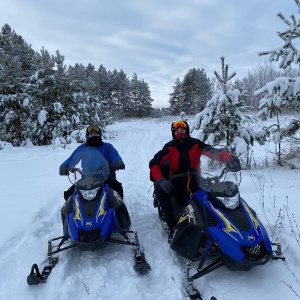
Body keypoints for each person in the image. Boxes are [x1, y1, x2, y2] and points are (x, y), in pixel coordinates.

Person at [149, 120, 241, 239]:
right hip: (176, 181)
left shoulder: (195, 144)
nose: (180, 132)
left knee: (210, 198)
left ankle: (219, 224)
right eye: (177, 131)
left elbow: (212, 152)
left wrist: (228, 158)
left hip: (195, 179)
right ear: (173, 133)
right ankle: (172, 228)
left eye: (182, 130)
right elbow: (154, 163)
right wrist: (161, 180)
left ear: (187, 131)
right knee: (163, 193)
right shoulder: (170, 147)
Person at [59, 124, 125, 199]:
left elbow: (114, 155)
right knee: (68, 195)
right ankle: (71, 210)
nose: (93, 136)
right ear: (87, 136)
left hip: (104, 177)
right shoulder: (82, 148)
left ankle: (120, 209)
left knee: (118, 188)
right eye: (91, 134)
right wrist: (65, 166)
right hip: (86, 178)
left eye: (96, 134)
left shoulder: (107, 147)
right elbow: (71, 158)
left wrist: (118, 161)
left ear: (99, 135)